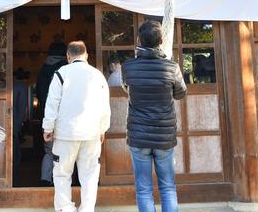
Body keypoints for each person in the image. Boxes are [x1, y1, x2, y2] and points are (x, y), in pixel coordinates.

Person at [122, 20, 187, 212]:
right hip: (164, 136)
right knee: (168, 187)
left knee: (143, 189)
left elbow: (127, 88)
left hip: (139, 135)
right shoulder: (171, 67)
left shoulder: (128, 67)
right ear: (161, 41)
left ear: (138, 40)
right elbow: (180, 93)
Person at [43, 40, 111, 212]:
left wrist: (48, 128)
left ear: (68, 56)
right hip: (91, 133)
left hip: (65, 134)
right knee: (89, 176)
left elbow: (52, 103)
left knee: (62, 174)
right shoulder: (97, 75)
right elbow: (105, 106)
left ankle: (65, 209)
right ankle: (87, 209)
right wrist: (102, 129)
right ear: (86, 55)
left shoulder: (61, 73)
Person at [36, 42, 67, 185]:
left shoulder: (43, 68)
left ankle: (45, 179)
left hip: (46, 115)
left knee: (49, 151)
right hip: (63, 116)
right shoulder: (65, 68)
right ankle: (65, 182)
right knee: (67, 151)